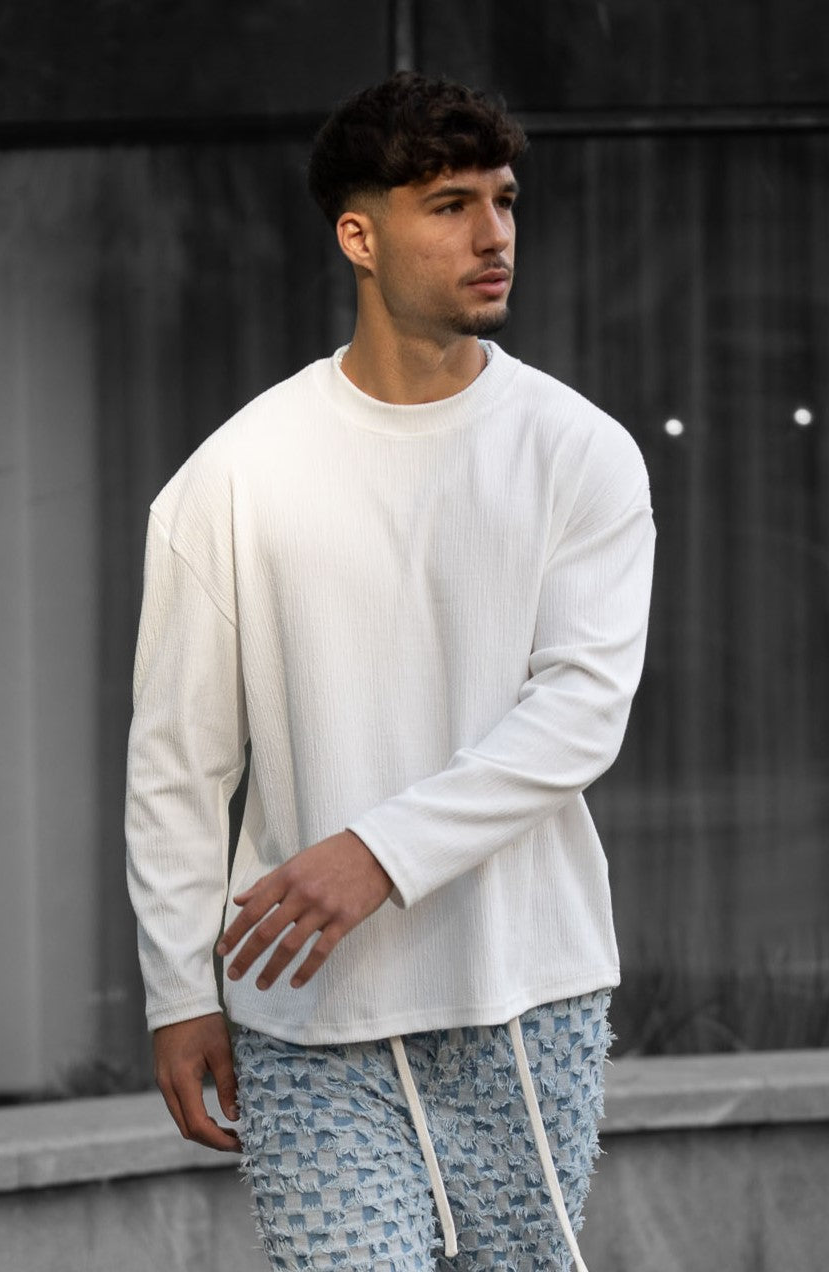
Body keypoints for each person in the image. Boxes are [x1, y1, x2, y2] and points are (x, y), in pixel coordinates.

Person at [126, 71, 655, 1272]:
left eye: (503, 201)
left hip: (526, 994)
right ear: (357, 237)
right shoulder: (233, 477)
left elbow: (578, 713)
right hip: (308, 1018)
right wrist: (177, 991)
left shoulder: (577, 451)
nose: (492, 234)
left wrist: (376, 853)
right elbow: (177, 763)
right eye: (449, 205)